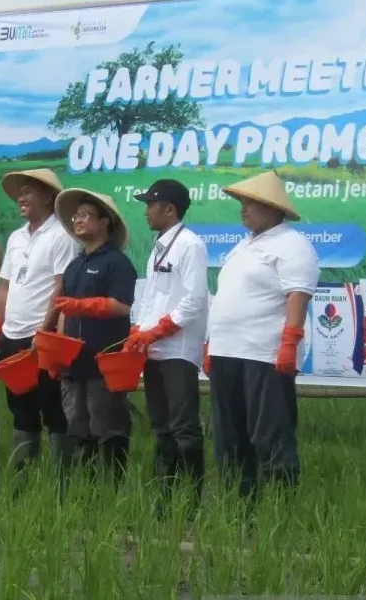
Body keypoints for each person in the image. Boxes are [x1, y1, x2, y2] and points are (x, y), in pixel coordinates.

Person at [206, 171, 319, 500]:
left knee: (270, 435)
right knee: (229, 437)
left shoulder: (293, 245)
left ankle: (282, 514)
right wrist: (212, 345)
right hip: (228, 352)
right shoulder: (243, 245)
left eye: (251, 203)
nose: (243, 209)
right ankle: (239, 513)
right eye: (242, 203)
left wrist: (289, 344)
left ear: (272, 208)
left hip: (263, 355)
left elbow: (298, 297)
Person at [0, 168, 79, 474]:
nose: (21, 198)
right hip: (13, 335)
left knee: (53, 407)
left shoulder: (62, 235)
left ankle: (62, 480)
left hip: (42, 337)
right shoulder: (16, 237)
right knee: (20, 406)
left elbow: (61, 287)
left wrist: (45, 330)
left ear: (48, 196)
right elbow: (5, 287)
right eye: (19, 193)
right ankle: (22, 477)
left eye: (28, 192)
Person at [123, 179, 209, 512]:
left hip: (177, 350)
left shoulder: (190, 245)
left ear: (169, 209)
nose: (146, 211)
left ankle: (191, 503)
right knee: (160, 426)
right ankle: (163, 499)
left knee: (184, 425)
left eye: (150, 205)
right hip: (154, 349)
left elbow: (194, 300)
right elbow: (149, 296)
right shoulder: (160, 245)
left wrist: (157, 331)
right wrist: (137, 330)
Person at [53, 188, 137, 484]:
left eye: (87, 215)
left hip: (104, 361)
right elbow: (64, 310)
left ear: (105, 222)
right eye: (77, 215)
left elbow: (121, 306)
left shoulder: (117, 263)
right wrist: (58, 352)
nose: (78, 220)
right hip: (74, 364)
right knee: (78, 426)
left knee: (108, 427)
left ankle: (113, 490)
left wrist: (84, 306)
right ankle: (86, 492)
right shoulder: (75, 265)